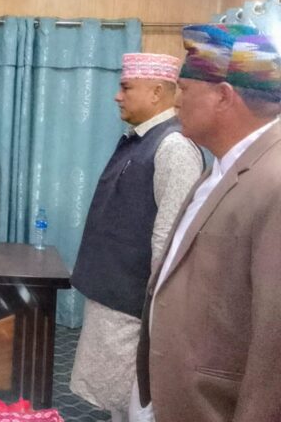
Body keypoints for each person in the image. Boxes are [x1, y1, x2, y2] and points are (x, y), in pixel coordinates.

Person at [136, 24, 281, 422]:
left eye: (185, 89)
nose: (176, 102)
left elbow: (275, 341)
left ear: (223, 96)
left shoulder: (275, 181)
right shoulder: (224, 164)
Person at [69, 53, 203, 422]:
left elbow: (170, 242)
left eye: (126, 87)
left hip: (136, 310)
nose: (117, 96)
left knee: (138, 404)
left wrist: (157, 318)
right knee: (120, 406)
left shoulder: (174, 148)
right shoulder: (141, 140)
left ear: (157, 92)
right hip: (117, 301)